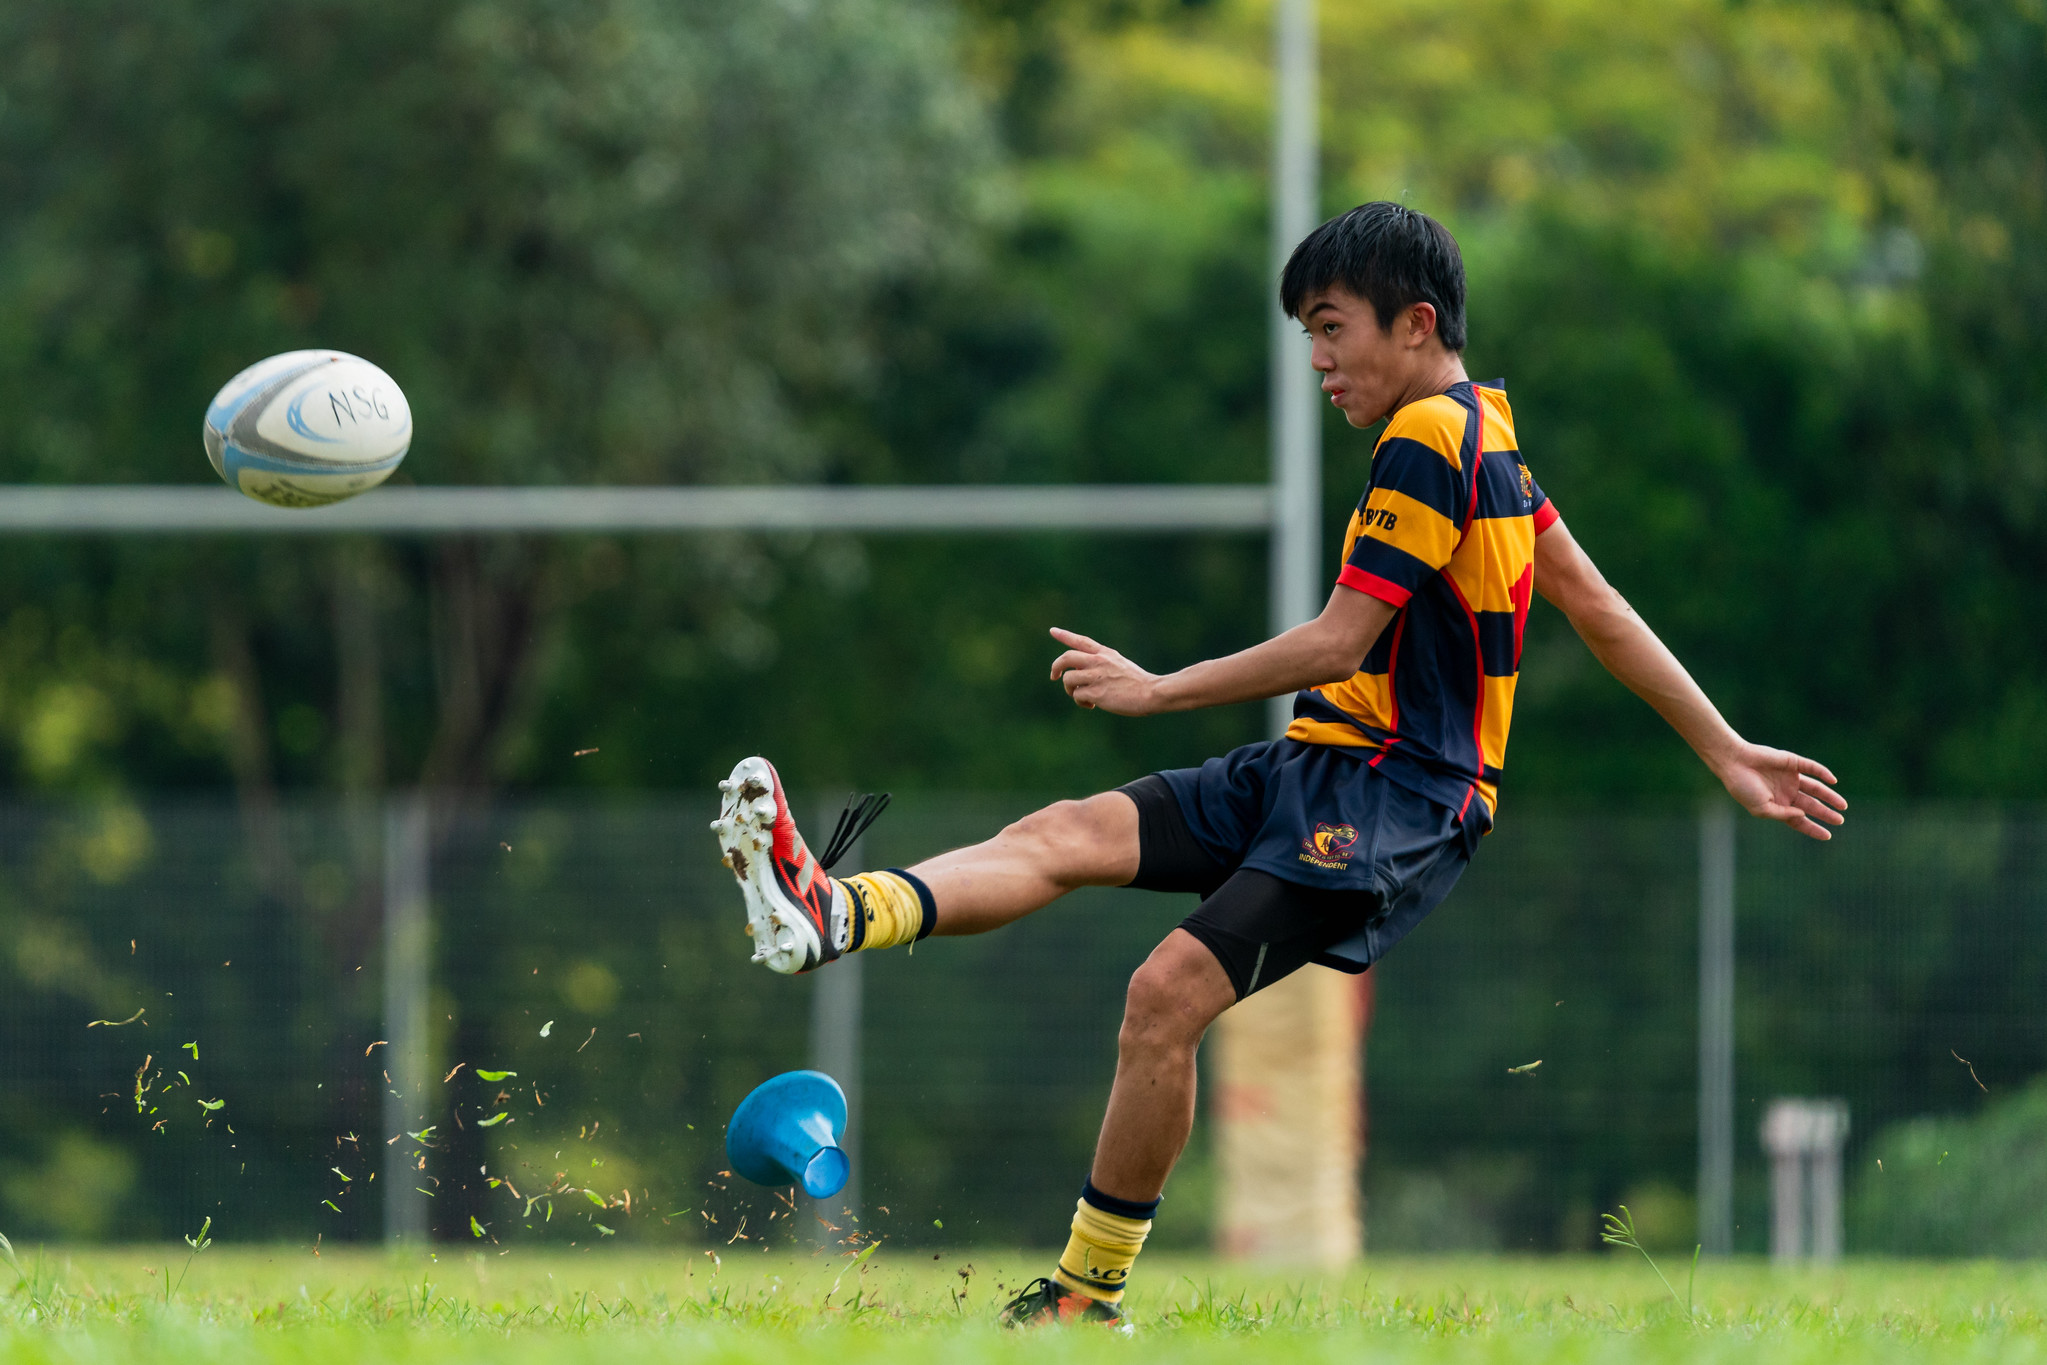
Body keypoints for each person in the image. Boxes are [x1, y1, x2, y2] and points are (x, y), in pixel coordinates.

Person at [710, 202, 1847, 1330]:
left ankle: (1082, 1298)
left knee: (1163, 996)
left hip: (1397, 795)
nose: (1317, 361)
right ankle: (830, 914)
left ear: (1414, 323)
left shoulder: (1431, 438)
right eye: (1308, 333)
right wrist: (1726, 750)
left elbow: (1336, 639)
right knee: (1061, 834)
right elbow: (1594, 605)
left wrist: (1157, 688)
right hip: (1321, 761)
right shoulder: (1487, 434)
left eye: (1329, 327)